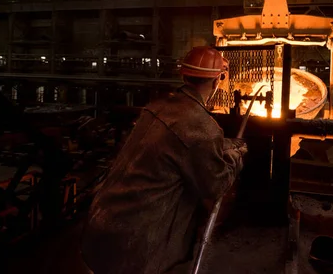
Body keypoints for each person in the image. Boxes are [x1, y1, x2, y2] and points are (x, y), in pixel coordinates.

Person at [81, 46, 247, 274]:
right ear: (218, 80)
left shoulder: (156, 108)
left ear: (185, 75)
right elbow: (216, 185)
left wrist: (226, 145)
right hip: (135, 241)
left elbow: (183, 145)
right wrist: (236, 157)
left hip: (101, 223)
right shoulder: (202, 127)